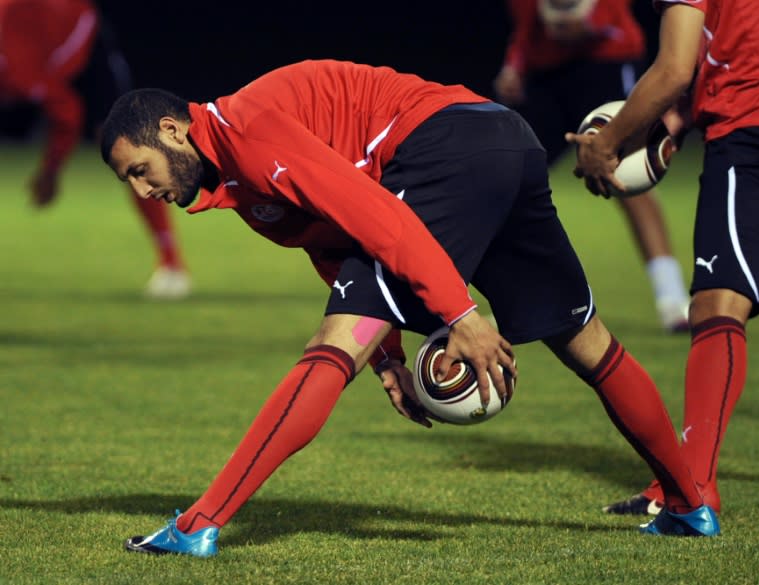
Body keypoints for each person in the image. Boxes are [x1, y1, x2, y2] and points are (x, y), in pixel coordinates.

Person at [99, 59, 719, 557]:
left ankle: (199, 523)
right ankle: (691, 505)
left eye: (139, 169)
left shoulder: (249, 130)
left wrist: (462, 317)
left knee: (329, 347)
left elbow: (376, 214)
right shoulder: (235, 176)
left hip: (445, 149)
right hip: (502, 140)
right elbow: (333, 244)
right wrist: (388, 357)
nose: (142, 190)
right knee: (587, 342)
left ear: (173, 131)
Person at [567, 0, 759, 516]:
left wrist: (606, 144)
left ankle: (692, 489)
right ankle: (687, 480)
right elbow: (725, 45)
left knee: (718, 306)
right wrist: (676, 120)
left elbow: (675, 67)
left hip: (751, 134)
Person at [493, 0, 690, 333]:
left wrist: (593, 23)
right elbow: (528, 22)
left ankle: (672, 298)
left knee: (628, 176)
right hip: (546, 70)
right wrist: (515, 64)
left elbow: (607, 16)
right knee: (507, 176)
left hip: (605, 60)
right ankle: (514, 299)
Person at [0, 0, 190, 299]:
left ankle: (171, 263)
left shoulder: (15, 64)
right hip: (42, 44)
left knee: (127, 147)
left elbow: (68, 112)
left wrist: (50, 173)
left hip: (81, 39)